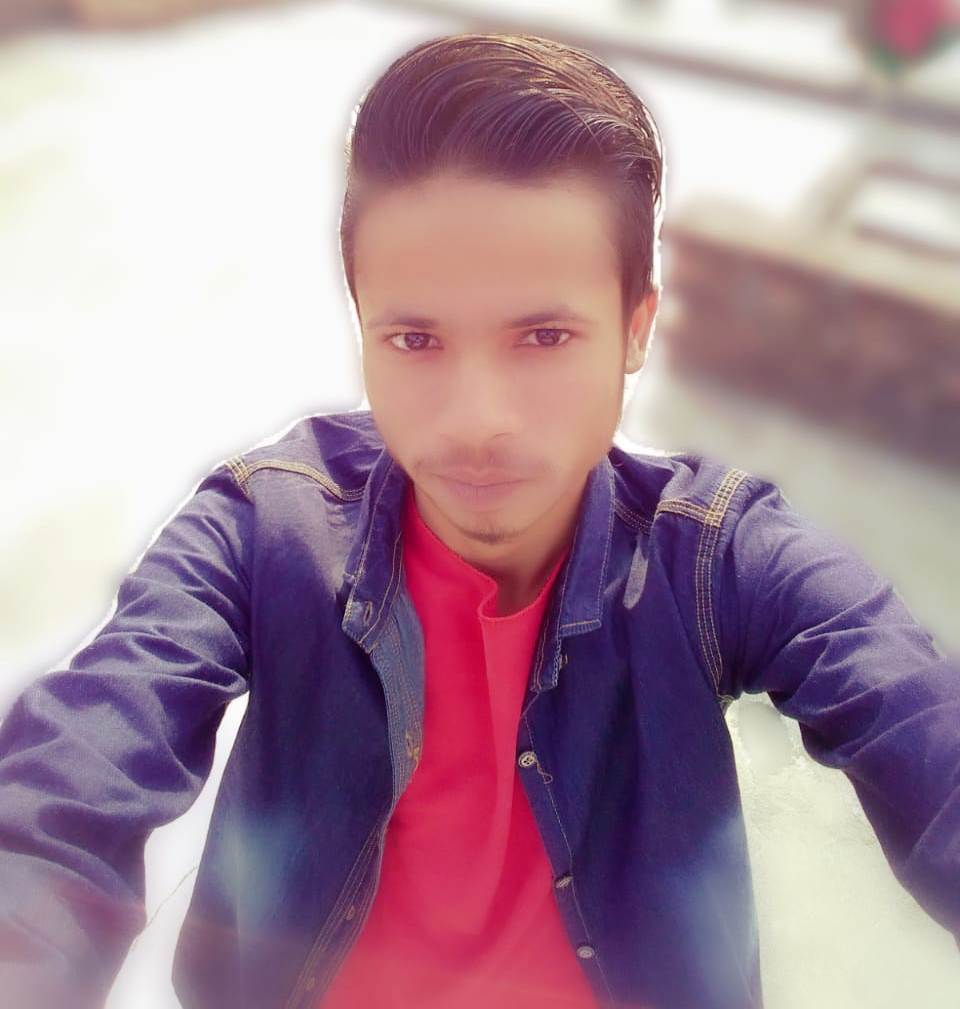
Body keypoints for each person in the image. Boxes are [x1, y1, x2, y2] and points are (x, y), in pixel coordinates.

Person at [1, 30, 958, 1009]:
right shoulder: (263, 532)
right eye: (415, 339)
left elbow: (916, 715)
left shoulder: (713, 560)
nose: (476, 419)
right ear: (362, 325)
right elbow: (73, 778)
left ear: (635, 328)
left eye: (543, 336)